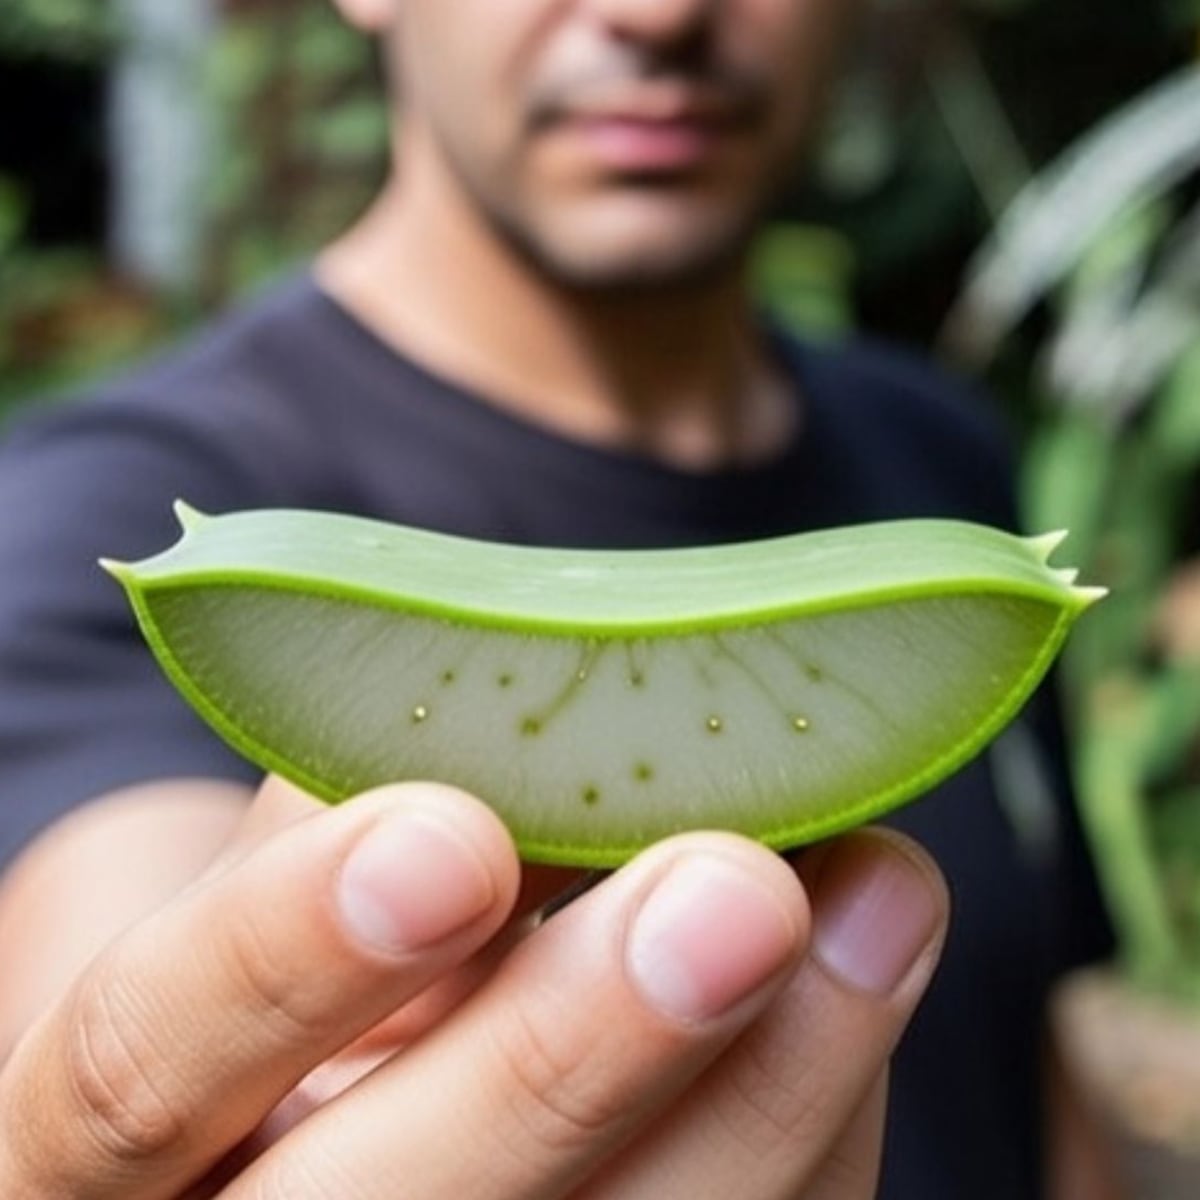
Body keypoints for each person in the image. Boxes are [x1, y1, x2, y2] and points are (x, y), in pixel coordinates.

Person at [0, 1, 1112, 1197]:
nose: (660, 12)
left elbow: (1036, 1084)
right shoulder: (92, 512)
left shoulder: (941, 463)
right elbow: (108, 940)